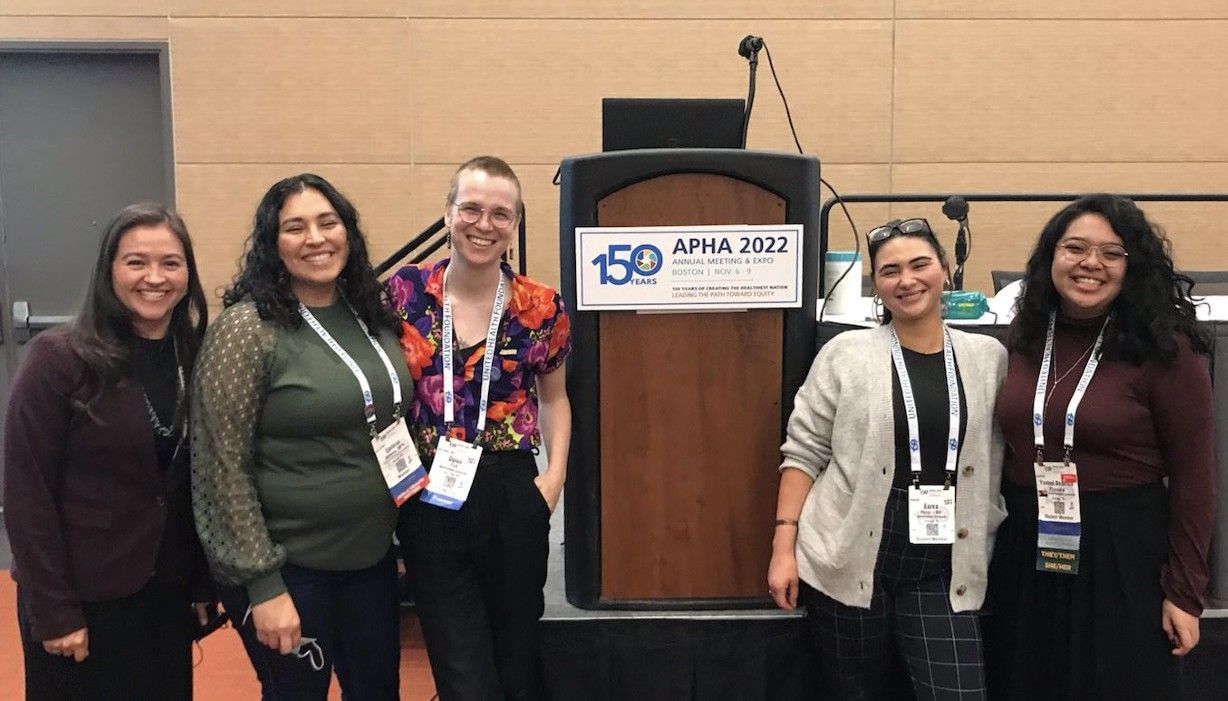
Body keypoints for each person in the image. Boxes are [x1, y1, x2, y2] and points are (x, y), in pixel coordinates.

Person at [192, 174, 412, 700]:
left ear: (348, 233)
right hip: (289, 568)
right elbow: (220, 466)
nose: (315, 238)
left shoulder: (370, 316)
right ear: (272, 243)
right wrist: (262, 585)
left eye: (327, 222)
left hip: (371, 561)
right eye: (295, 227)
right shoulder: (248, 330)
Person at [768, 218, 1007, 700]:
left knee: (957, 691)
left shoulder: (989, 358)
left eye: (920, 264)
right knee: (856, 691)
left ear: (945, 268)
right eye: (889, 271)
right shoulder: (845, 354)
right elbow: (804, 450)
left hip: (944, 561)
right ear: (876, 286)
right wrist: (782, 548)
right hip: (848, 549)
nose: (907, 280)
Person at [987, 194, 1215, 699]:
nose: (1091, 264)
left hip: (1123, 549)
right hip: (1028, 542)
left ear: (1132, 268)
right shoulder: (1023, 336)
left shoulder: (1165, 349)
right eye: (1075, 248)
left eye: (1112, 254)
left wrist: (1185, 593)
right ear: (1051, 258)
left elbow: (1195, 481)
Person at [4, 203, 213, 699]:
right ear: (108, 271)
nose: (155, 278)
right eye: (136, 262)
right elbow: (26, 494)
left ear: (188, 272)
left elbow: (192, 483)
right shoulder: (58, 360)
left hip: (164, 591)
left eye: (170, 262)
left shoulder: (197, 352)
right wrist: (53, 611)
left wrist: (201, 582)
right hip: (81, 595)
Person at [387, 155, 572, 700]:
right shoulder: (403, 293)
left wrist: (553, 479)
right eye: (470, 208)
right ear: (448, 214)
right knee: (460, 665)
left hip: (513, 490)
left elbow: (556, 399)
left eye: (500, 214)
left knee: (516, 655)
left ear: (514, 225)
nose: (483, 224)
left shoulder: (541, 306)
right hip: (429, 494)